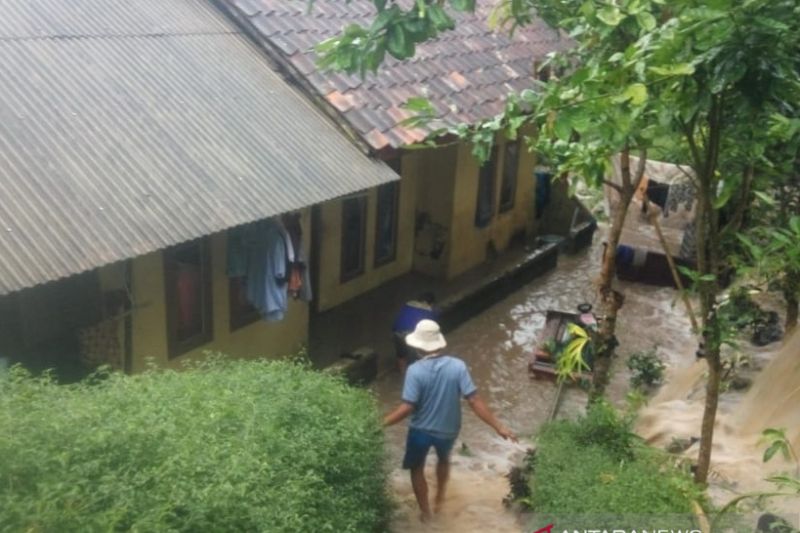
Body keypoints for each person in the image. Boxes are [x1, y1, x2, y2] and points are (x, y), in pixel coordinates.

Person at [383, 319, 517, 523]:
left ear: (418, 345)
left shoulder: (415, 370)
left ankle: (426, 513)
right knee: (443, 460)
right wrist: (499, 427)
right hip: (448, 430)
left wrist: (381, 424)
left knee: (416, 468)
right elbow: (474, 400)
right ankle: (438, 500)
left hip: (420, 431)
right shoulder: (458, 366)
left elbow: (407, 407)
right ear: (439, 343)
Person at [391, 292, 437, 373]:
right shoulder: (428, 311)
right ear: (429, 303)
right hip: (410, 333)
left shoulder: (407, 305)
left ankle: (403, 372)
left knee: (401, 354)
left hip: (396, 331)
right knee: (415, 358)